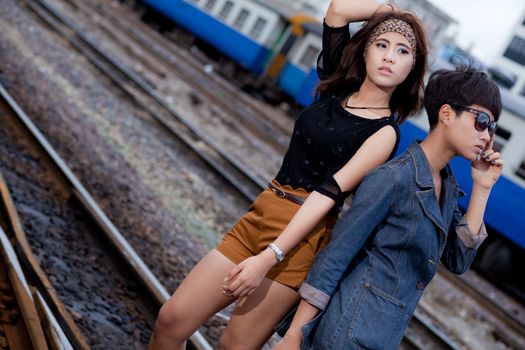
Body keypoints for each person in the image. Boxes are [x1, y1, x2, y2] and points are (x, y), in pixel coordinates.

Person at [149, 0, 429, 348]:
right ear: (365, 51)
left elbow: (329, 194)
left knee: (233, 346)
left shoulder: (384, 133)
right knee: (172, 320)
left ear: (412, 67)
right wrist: (396, 14)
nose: (389, 57)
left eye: (403, 51)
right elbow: (338, 10)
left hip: (299, 240)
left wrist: (270, 257)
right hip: (263, 210)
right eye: (382, 45)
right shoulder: (335, 85)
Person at [274, 66, 503, 350]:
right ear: (446, 114)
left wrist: (482, 188)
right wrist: (295, 335)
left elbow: (458, 261)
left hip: (381, 337)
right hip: (345, 333)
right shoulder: (394, 178)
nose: (487, 135)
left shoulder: (445, 187)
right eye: (482, 121)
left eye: (492, 127)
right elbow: (335, 256)